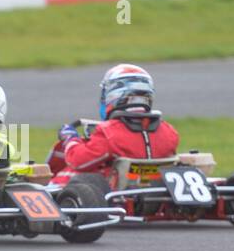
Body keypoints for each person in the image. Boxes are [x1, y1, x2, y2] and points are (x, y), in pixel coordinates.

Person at [48, 63, 179, 186]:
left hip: (119, 198)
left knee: (71, 173)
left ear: (114, 94)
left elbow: (77, 161)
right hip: (155, 194)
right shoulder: (168, 131)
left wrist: (70, 139)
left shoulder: (109, 132)